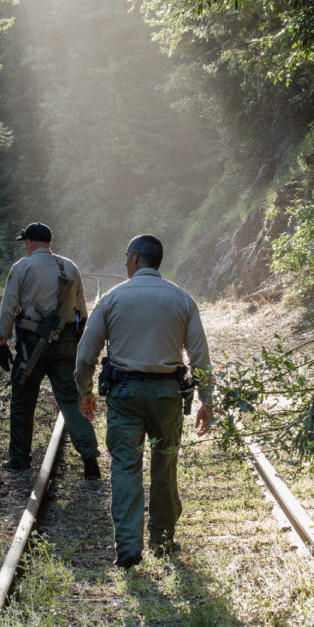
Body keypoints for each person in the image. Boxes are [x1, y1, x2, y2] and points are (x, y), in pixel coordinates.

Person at [75, 233, 213, 568]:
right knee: (165, 465)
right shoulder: (182, 298)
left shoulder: (112, 299)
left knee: (125, 465)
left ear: (136, 257)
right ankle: (163, 539)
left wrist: (85, 391)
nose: (124, 262)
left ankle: (128, 548)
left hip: (125, 395)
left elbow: (85, 354)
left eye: (126, 256)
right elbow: (200, 356)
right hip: (167, 395)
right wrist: (206, 399)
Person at [0, 221, 101, 479]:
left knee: (23, 399)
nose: (25, 247)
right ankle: (89, 457)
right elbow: (82, 312)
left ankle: (20, 458)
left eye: (25, 242)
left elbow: (9, 306)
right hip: (65, 342)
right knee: (71, 400)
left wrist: (2, 341)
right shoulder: (69, 266)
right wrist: (73, 344)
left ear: (30, 243)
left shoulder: (22, 267)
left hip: (32, 343)